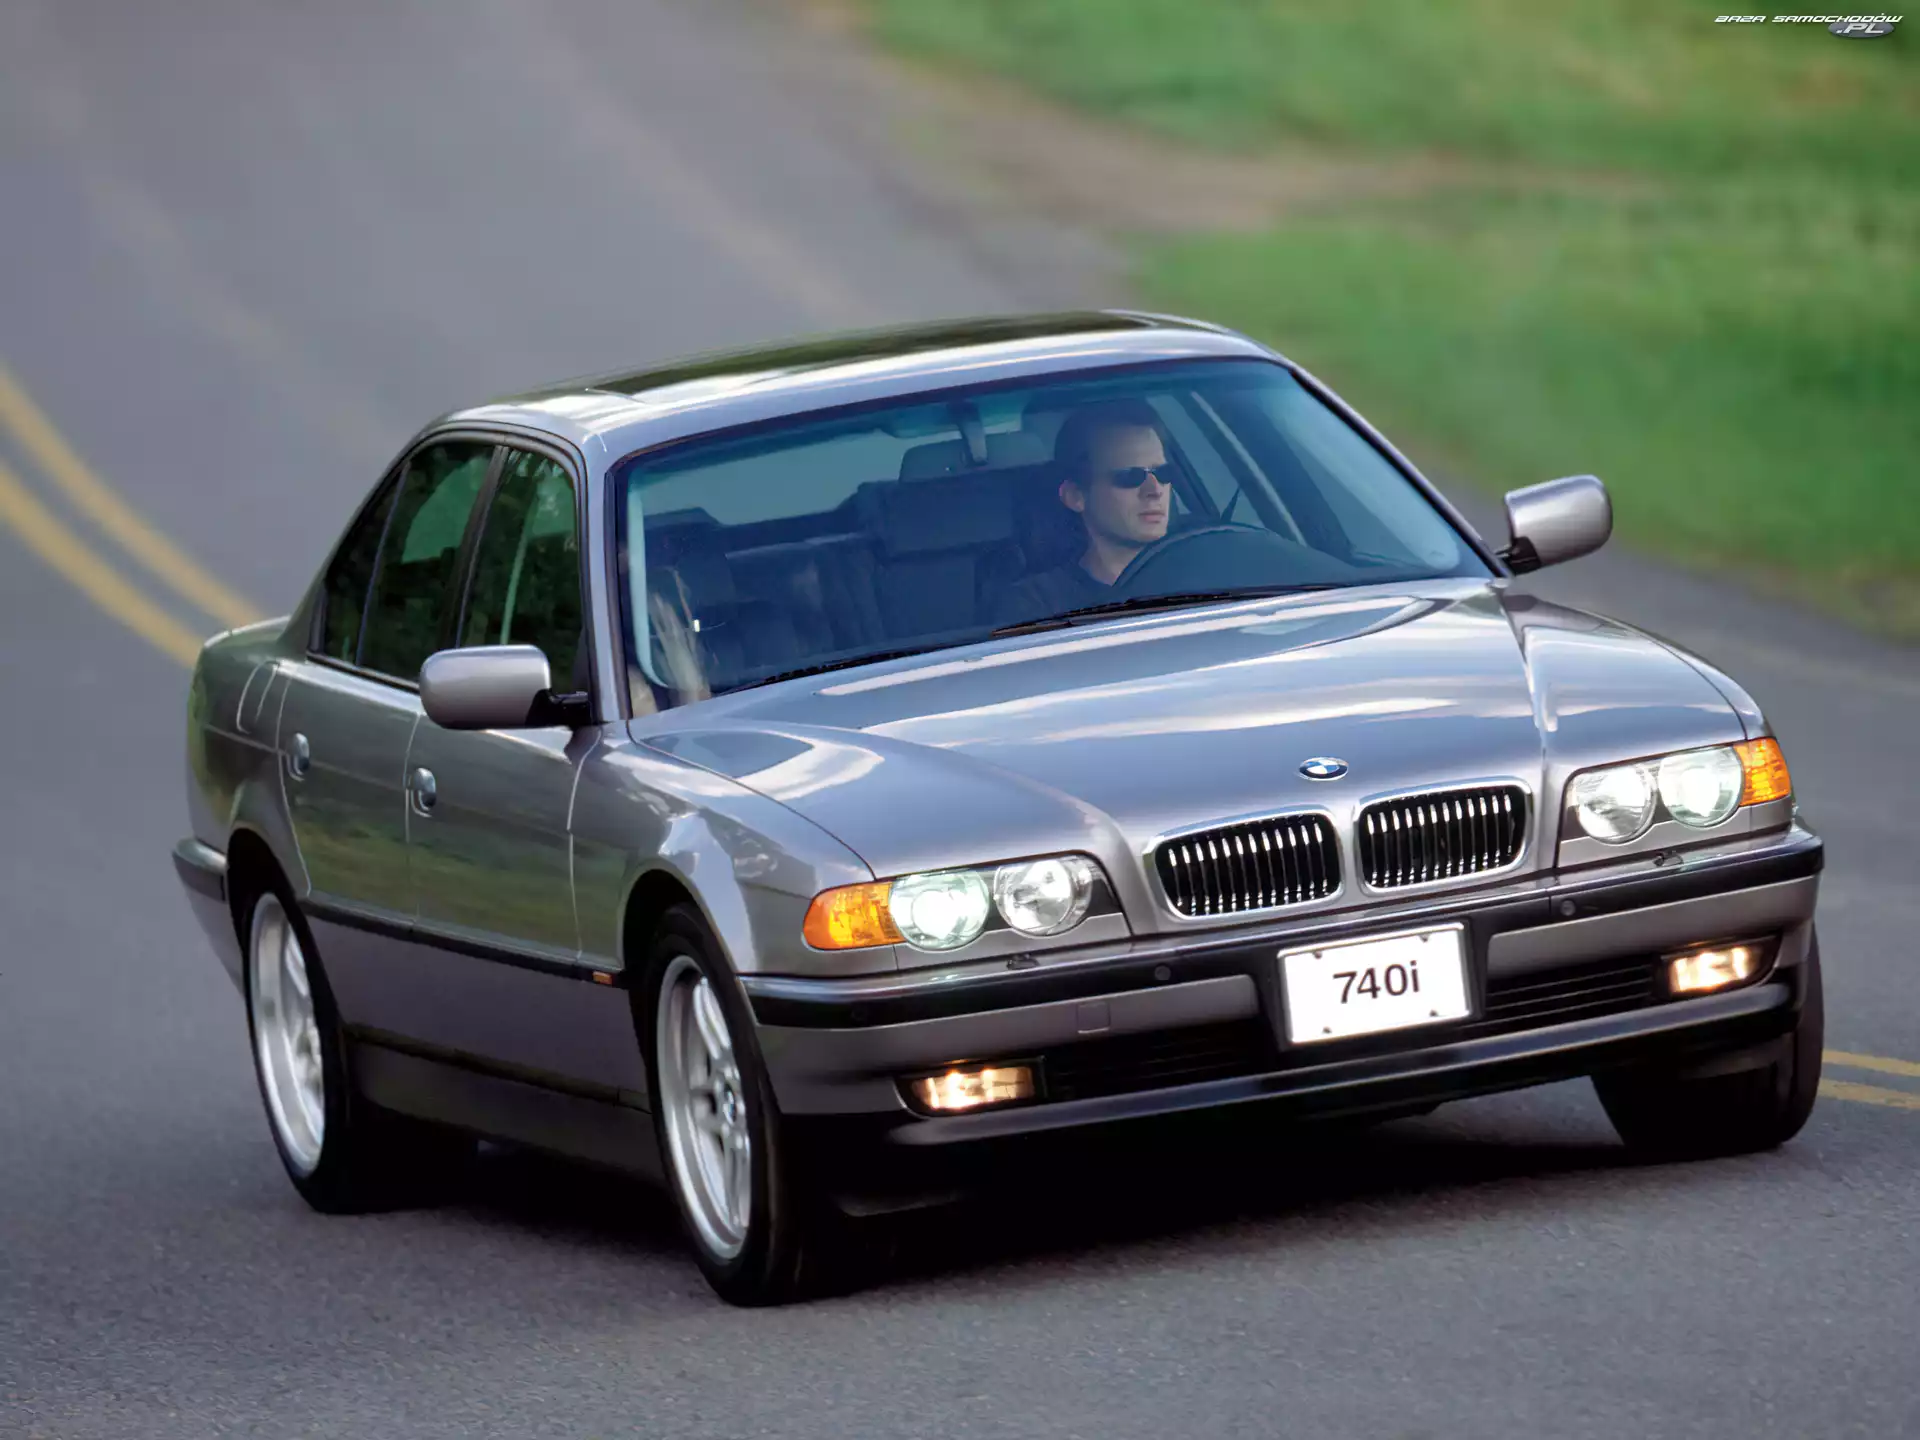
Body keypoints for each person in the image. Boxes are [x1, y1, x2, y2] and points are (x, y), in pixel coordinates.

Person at [995, 398, 1175, 625]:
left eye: (1163, 473)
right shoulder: (1036, 605)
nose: (1155, 490)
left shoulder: (1204, 572)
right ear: (1075, 496)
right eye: (1130, 476)